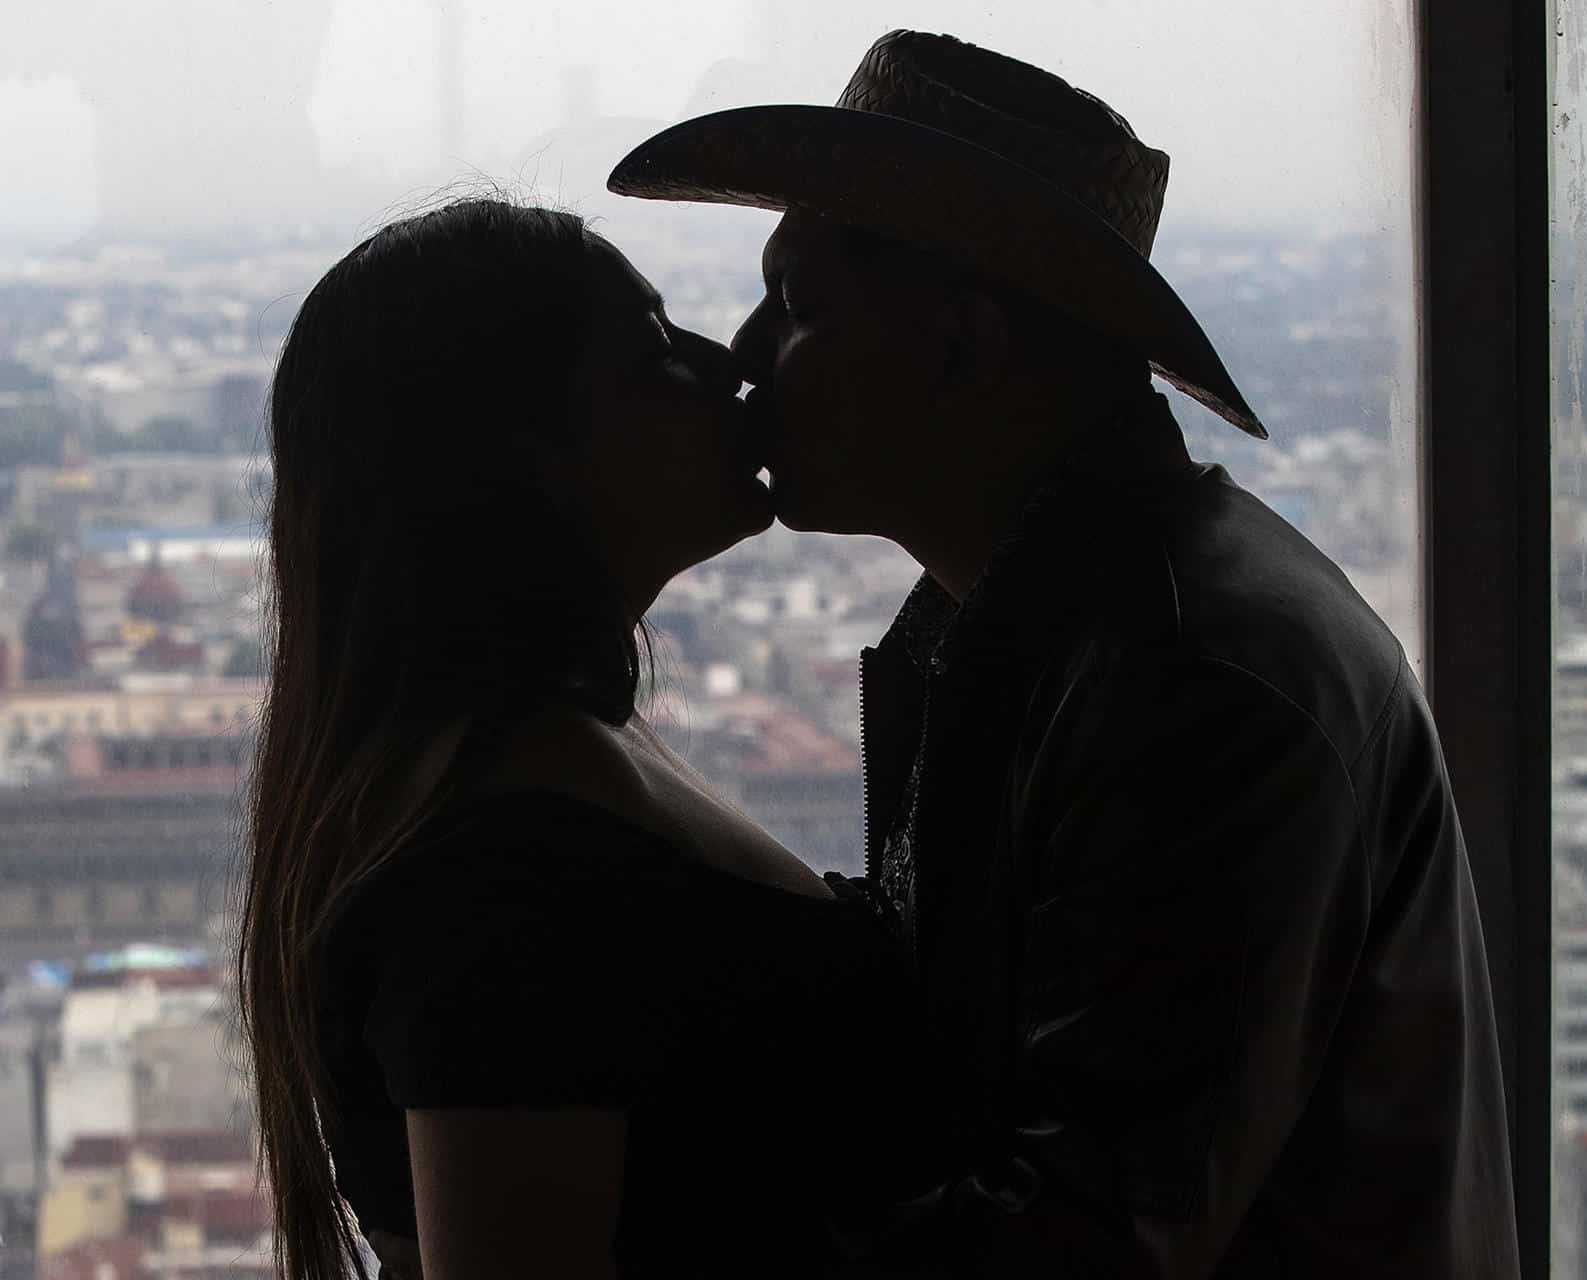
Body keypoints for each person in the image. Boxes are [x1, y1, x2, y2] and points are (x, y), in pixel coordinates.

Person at [604, 28, 1523, 1278]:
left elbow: (1083, 1238)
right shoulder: (1119, 628)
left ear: (960, 345)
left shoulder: (1188, 685)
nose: (751, 357)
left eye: (798, 306)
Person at [235, 198, 947, 1280]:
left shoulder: (521, 780)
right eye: (655, 354)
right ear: (520, 457)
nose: (731, 367)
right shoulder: (511, 863)